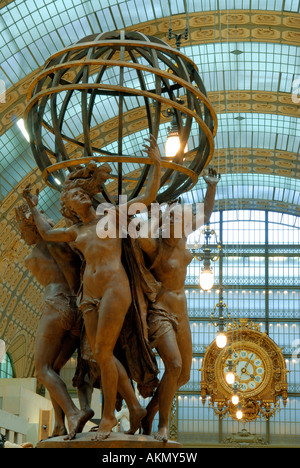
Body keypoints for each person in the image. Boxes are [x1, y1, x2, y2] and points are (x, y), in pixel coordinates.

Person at [23, 135, 162, 441]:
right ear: (69, 206)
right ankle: (125, 411)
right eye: (75, 196)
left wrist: (157, 163)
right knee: (99, 355)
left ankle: (110, 415)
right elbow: (46, 232)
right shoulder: (73, 231)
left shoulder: (111, 214)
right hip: (89, 296)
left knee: (103, 349)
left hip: (115, 287)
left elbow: (148, 196)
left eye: (83, 194)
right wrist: (33, 207)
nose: (83, 198)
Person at [138, 168, 220, 442]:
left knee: (184, 374)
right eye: (171, 222)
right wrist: (153, 212)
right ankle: (163, 425)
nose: (177, 227)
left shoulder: (182, 236)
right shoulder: (154, 244)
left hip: (181, 314)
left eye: (180, 222)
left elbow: (206, 215)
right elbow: (135, 234)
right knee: (173, 365)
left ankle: (147, 414)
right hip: (159, 313)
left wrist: (211, 187)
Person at [15, 203, 94, 439]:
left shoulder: (47, 243)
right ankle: (59, 425)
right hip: (76, 311)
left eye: (23, 230)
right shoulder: (67, 244)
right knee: (55, 368)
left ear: (34, 227)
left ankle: (72, 413)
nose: (21, 235)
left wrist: (33, 210)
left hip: (55, 304)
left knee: (41, 370)